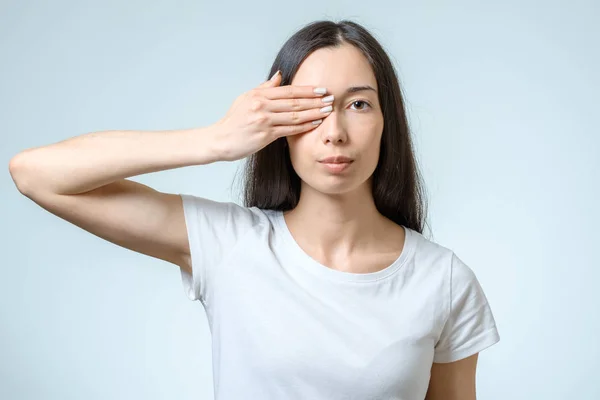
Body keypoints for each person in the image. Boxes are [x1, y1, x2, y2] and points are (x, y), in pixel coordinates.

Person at [9, 19, 500, 400]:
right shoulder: (227, 244)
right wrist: (214, 140)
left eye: (358, 105)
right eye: (310, 105)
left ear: (387, 121)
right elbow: (36, 173)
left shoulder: (444, 280)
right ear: (277, 122)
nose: (334, 131)